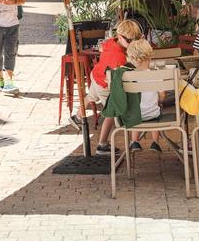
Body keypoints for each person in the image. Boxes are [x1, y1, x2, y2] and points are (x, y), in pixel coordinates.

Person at [69, 20, 144, 153]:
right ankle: (102, 144)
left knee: (90, 96)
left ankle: (78, 116)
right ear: (120, 37)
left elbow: (102, 47)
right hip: (105, 84)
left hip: (96, 75)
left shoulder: (111, 42)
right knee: (111, 112)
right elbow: (120, 78)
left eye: (135, 40)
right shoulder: (119, 59)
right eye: (129, 41)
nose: (132, 43)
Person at [127, 39, 164, 153]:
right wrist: (159, 101)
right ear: (150, 57)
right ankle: (155, 142)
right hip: (153, 114)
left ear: (132, 59)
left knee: (135, 111)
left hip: (134, 116)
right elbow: (162, 95)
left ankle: (134, 142)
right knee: (156, 110)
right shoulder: (155, 75)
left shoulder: (129, 76)